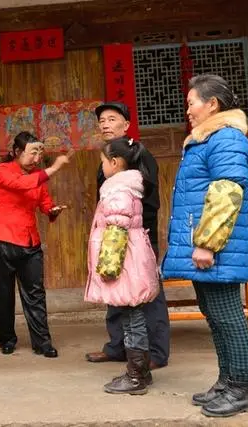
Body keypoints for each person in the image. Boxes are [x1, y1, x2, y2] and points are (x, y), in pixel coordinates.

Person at [161, 74, 248, 417]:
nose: (187, 110)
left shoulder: (226, 138)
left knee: (228, 316)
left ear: (212, 104)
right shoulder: (208, 140)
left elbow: (228, 191)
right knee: (215, 315)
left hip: (218, 249)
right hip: (209, 248)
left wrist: (207, 244)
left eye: (191, 103)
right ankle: (227, 381)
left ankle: (243, 388)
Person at [85, 102, 170, 370]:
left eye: (112, 119)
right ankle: (117, 346)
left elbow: (148, 201)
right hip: (114, 234)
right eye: (102, 121)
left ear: (127, 125)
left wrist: (136, 235)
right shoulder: (108, 158)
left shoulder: (139, 156)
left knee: (147, 292)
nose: (105, 124)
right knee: (114, 284)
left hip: (137, 235)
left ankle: (155, 352)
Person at [84, 136, 160, 395]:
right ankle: (139, 371)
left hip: (124, 262)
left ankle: (136, 375)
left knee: (132, 318)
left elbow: (116, 231)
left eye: (103, 161)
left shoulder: (117, 190)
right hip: (132, 258)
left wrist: (107, 268)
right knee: (131, 316)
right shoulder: (128, 187)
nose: (102, 166)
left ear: (115, 163)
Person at [0, 131, 71, 357]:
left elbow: (44, 202)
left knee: (35, 293)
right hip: (3, 238)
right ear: (17, 152)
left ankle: (42, 342)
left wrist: (51, 210)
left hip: (30, 240)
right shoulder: (2, 171)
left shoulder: (37, 176)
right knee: (4, 293)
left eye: (39, 152)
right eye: (32, 152)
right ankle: (6, 339)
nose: (37, 157)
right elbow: (20, 185)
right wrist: (53, 168)